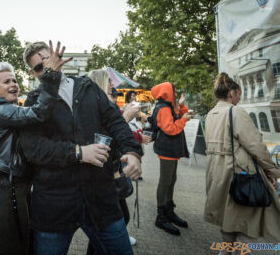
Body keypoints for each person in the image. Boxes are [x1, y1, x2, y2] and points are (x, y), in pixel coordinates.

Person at [20, 41, 143, 255]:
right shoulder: (33, 100)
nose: (47, 68)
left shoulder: (88, 87)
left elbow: (116, 122)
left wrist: (131, 152)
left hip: (100, 197)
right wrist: (79, 152)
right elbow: (34, 148)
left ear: (59, 57)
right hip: (55, 203)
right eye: (40, 67)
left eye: (49, 60)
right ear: (33, 73)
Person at [0, 43, 69, 255]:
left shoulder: (11, 109)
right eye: (6, 81)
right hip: (0, 192)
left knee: (23, 245)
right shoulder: (0, 109)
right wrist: (51, 75)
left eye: (14, 80)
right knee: (12, 249)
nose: (13, 84)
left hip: (12, 189)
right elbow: (39, 113)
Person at [204, 73, 280, 249]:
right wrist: (272, 171)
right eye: (239, 94)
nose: (240, 98)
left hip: (216, 174)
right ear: (231, 93)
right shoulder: (235, 112)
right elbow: (256, 146)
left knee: (227, 222)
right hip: (239, 174)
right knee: (245, 226)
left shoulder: (211, 114)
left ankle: (226, 252)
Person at [87, 69, 138, 249]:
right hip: (103, 174)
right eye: (108, 81)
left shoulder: (109, 103)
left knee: (114, 219)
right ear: (100, 83)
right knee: (115, 219)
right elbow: (104, 137)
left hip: (112, 169)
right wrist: (125, 118)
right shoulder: (97, 106)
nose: (112, 84)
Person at [150, 82, 191, 236]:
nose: (175, 93)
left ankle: (168, 211)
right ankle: (161, 216)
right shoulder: (164, 108)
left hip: (170, 149)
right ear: (168, 93)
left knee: (171, 180)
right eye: (173, 91)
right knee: (166, 181)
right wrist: (184, 120)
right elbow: (171, 128)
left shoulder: (166, 107)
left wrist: (181, 106)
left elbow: (177, 118)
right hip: (167, 149)